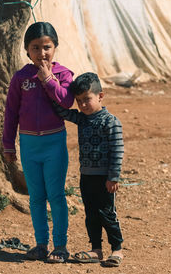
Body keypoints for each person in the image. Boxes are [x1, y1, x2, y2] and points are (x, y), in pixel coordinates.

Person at [2, 22, 74, 263]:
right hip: (29, 145)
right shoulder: (21, 77)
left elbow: (65, 101)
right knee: (35, 197)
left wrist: (48, 79)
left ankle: (61, 245)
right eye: (35, 47)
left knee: (55, 195)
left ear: (55, 48)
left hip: (54, 143)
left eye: (47, 47)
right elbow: (11, 113)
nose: (42, 53)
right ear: (26, 50)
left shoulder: (63, 74)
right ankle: (41, 244)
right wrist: (8, 145)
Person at [52, 72, 125, 267]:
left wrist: (113, 177)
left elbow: (117, 150)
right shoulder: (82, 118)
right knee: (91, 213)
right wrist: (51, 86)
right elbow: (61, 110)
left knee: (107, 213)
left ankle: (117, 249)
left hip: (105, 178)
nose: (83, 105)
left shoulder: (111, 121)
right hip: (86, 177)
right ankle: (96, 250)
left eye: (87, 99)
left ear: (100, 96)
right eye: (79, 101)